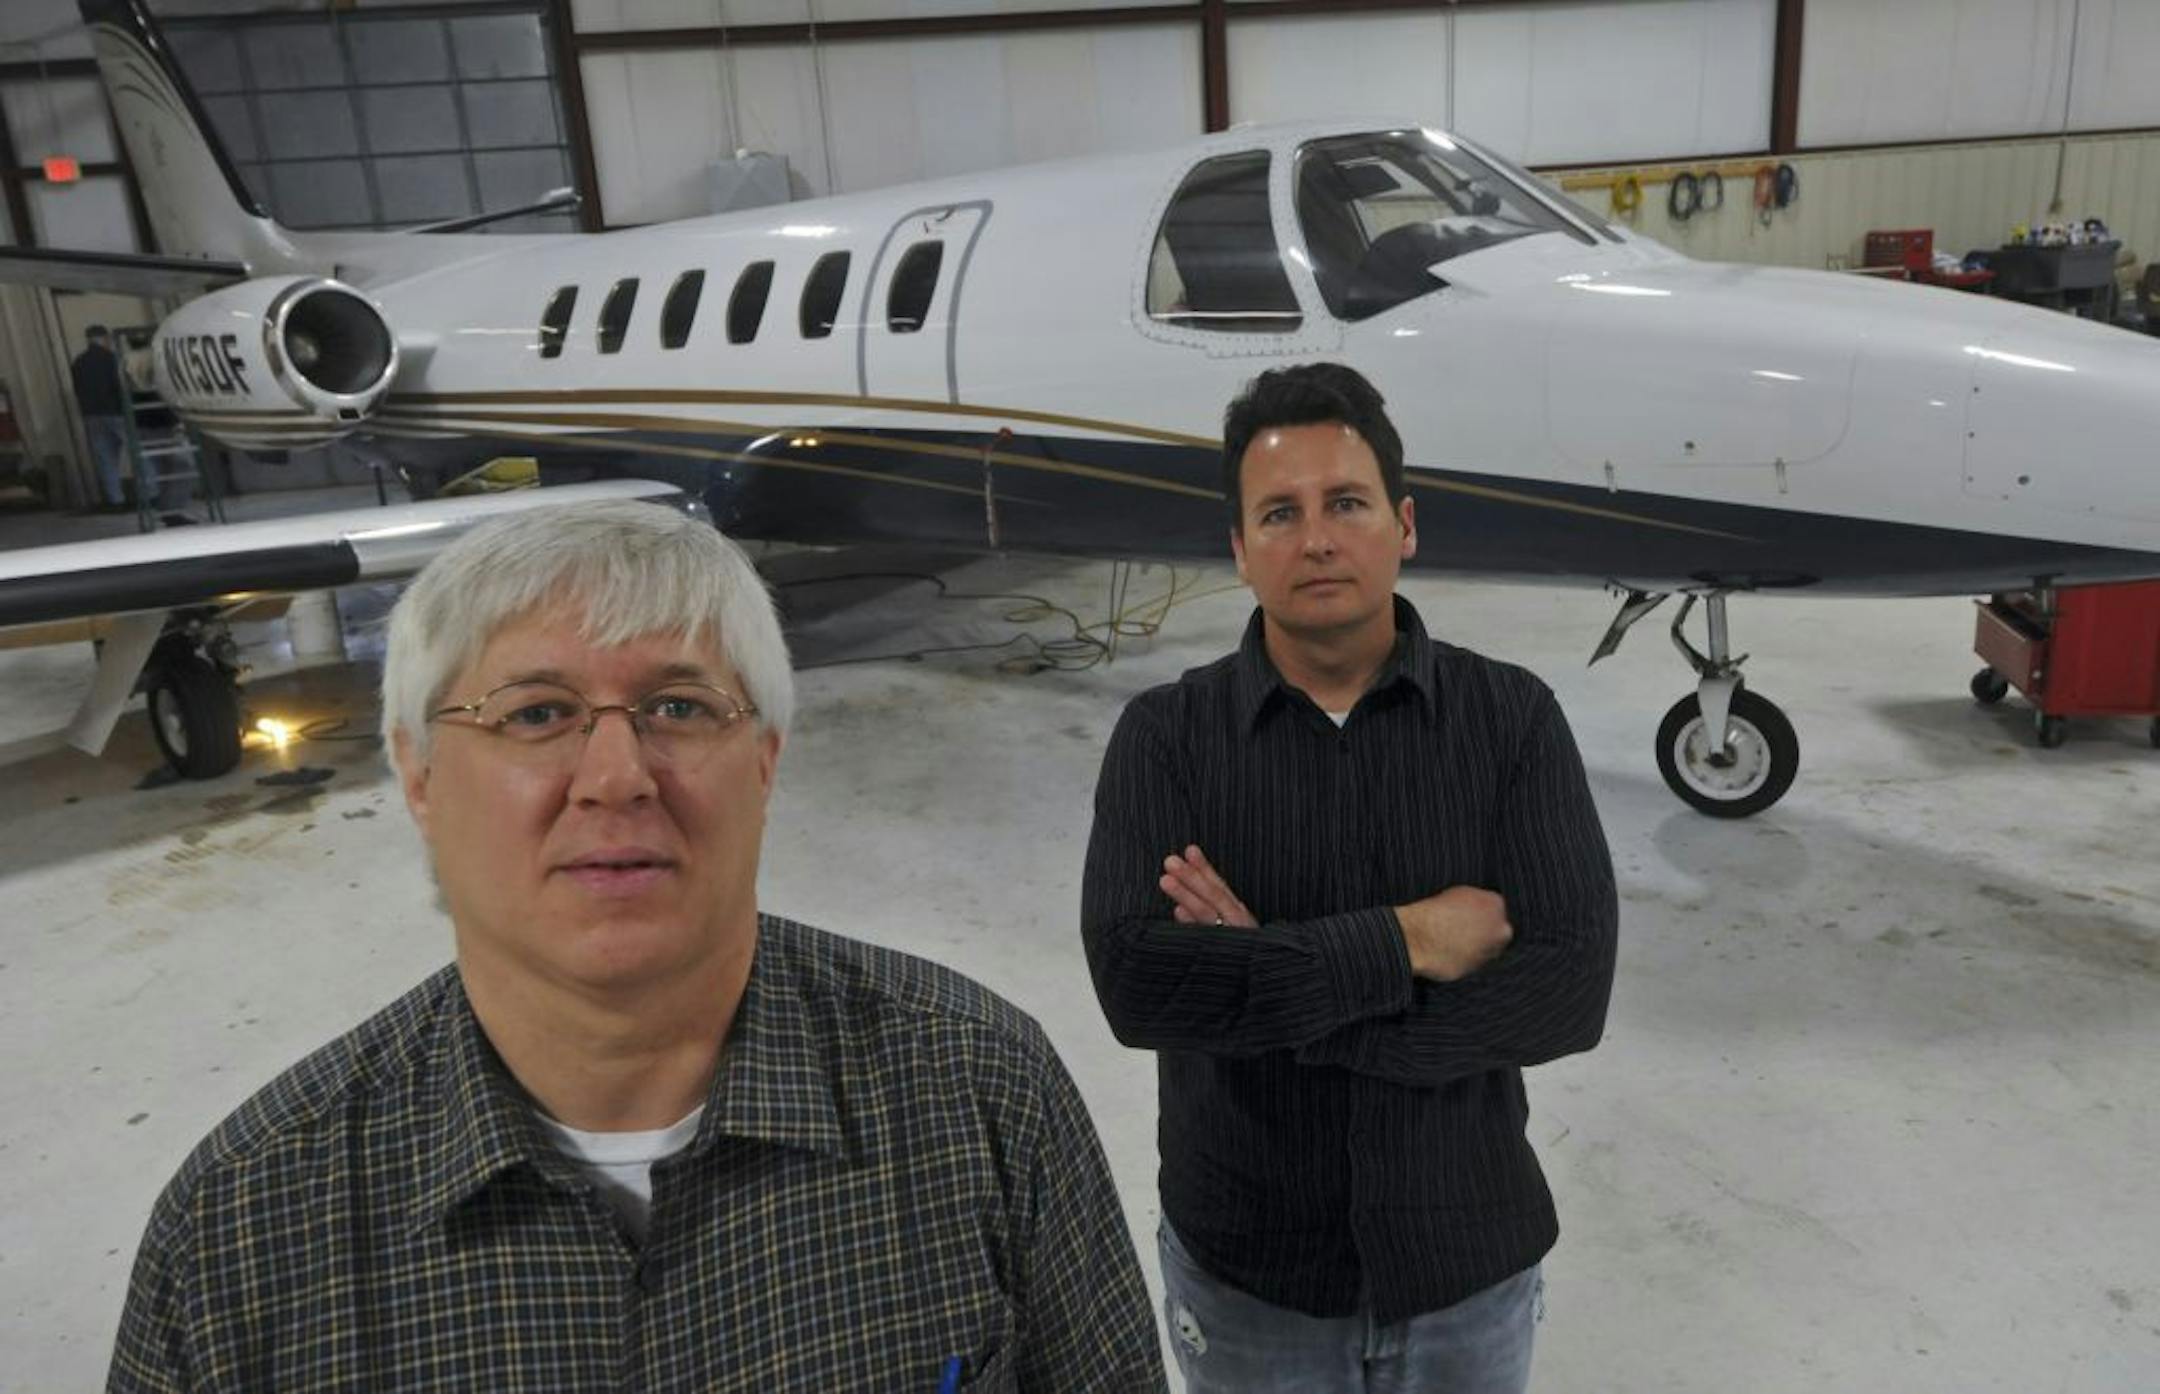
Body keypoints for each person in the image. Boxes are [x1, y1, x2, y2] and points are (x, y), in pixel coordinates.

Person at [109, 499, 1166, 1392]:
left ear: (763, 759)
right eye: (534, 713)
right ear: (418, 773)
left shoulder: (983, 1091)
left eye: (676, 704)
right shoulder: (239, 1233)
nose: (616, 774)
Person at [1082, 362, 1618, 1393]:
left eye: (1347, 503)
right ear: (1239, 550)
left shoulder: (1511, 719)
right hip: (1252, 1277)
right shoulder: (1166, 739)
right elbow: (1139, 984)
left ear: (1404, 523)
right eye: (1279, 512)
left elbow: (1568, 992)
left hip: (1467, 1261)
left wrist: (1270, 979)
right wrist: (1410, 941)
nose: (1317, 537)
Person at [71, 325, 132, 511]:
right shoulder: (112, 359)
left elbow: (78, 390)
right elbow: (120, 386)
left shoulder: (78, 362)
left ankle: (116, 501)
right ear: (105, 338)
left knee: (105, 459)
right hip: (116, 412)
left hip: (92, 415)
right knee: (138, 454)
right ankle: (152, 494)